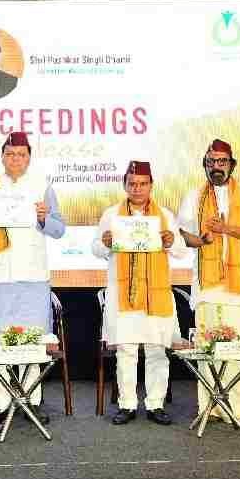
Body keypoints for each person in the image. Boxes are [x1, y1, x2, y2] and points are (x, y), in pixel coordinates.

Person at [0, 131, 65, 426]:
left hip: (33, 276)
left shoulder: (42, 186)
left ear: (29, 157)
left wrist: (44, 218)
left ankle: (32, 400)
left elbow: (59, 229)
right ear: (2, 156)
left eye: (21, 154)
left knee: (33, 340)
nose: (15, 159)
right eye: (10, 154)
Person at [177, 139, 240, 423]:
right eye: (211, 162)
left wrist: (225, 228)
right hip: (209, 285)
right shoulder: (194, 196)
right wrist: (202, 239)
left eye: (222, 161)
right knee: (210, 344)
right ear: (205, 165)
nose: (216, 167)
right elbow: (183, 235)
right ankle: (212, 406)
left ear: (232, 164)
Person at [93, 161, 184, 425]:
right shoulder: (112, 214)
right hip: (124, 294)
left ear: (151, 186)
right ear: (125, 185)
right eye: (132, 183)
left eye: (143, 184)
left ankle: (156, 404)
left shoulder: (164, 215)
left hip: (156, 294)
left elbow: (181, 251)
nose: (137, 188)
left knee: (157, 351)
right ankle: (127, 405)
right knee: (127, 351)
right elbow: (96, 249)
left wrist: (171, 241)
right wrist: (105, 243)